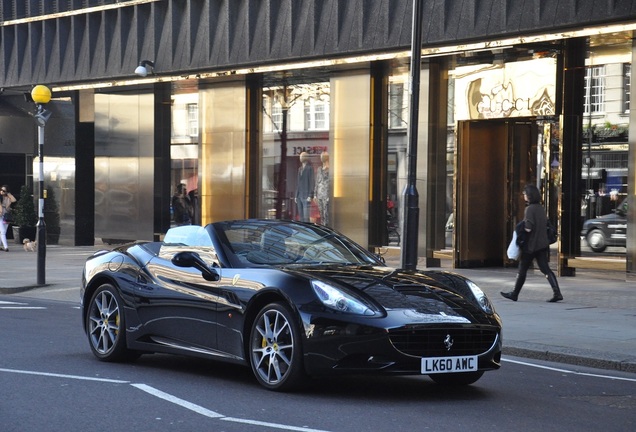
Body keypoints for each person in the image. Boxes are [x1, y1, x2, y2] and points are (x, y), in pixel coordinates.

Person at [501, 184, 563, 303]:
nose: (523, 196)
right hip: (542, 244)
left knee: (522, 269)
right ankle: (557, 292)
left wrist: (521, 228)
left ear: (529, 195)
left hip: (531, 245)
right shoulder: (541, 208)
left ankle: (514, 294)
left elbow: (528, 227)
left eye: (524, 194)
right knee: (545, 269)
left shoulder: (529, 209)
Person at [295, 152, 314, 222]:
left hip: (306, 196)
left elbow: (312, 182)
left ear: (305, 158)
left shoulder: (309, 168)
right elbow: (298, 183)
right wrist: (296, 195)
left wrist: (310, 195)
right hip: (299, 195)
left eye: (301, 156)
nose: (300, 158)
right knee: (301, 217)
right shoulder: (299, 169)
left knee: (306, 217)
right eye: (300, 156)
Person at [314, 152, 330, 225]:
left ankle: (326, 227)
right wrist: (315, 195)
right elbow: (317, 182)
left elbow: (330, 182)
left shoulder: (329, 169)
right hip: (319, 194)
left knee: (326, 213)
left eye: (322, 157)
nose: (321, 158)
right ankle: (323, 228)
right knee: (321, 214)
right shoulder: (319, 169)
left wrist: (329, 195)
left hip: (326, 194)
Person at [0, 185, 16, 251]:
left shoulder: (8, 197)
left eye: (4, 190)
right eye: (1, 189)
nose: (2, 191)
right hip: (0, 215)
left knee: (3, 231)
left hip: (6, 216)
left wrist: (8, 194)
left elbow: (14, 200)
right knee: (3, 231)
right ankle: (6, 247)